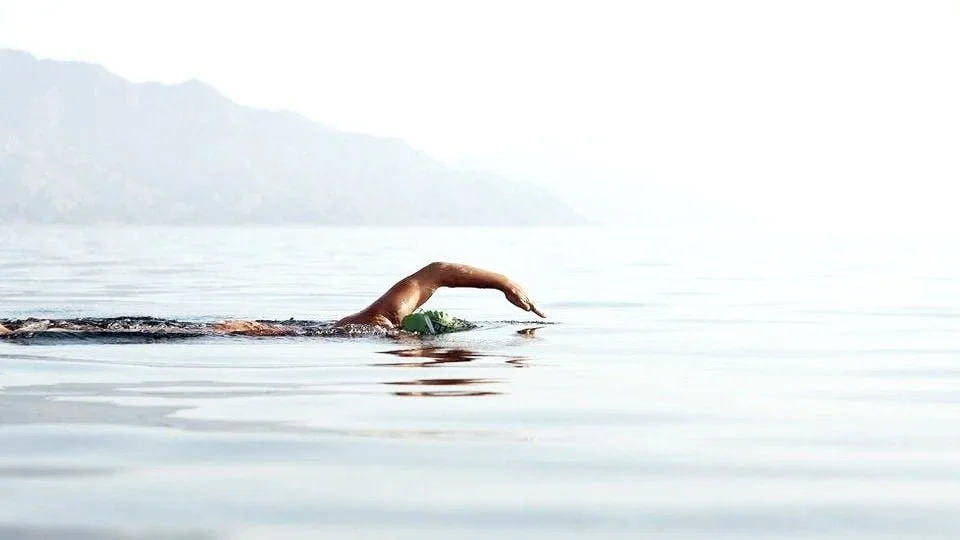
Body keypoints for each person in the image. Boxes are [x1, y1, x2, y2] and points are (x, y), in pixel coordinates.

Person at [213, 262, 546, 335]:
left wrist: (504, 283)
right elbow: (437, 272)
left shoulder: (385, 318)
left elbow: (436, 273)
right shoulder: (380, 321)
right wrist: (505, 283)